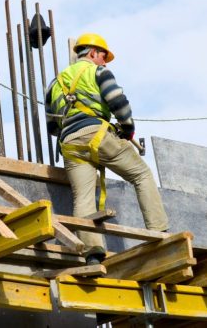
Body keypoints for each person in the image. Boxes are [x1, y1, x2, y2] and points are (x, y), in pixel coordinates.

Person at [45, 33, 168, 264]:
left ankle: (93, 254)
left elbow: (52, 126)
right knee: (142, 175)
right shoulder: (98, 71)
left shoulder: (55, 83)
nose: (105, 62)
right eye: (103, 56)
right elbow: (118, 102)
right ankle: (160, 233)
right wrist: (127, 128)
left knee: (82, 198)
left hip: (70, 144)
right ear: (92, 53)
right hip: (98, 135)